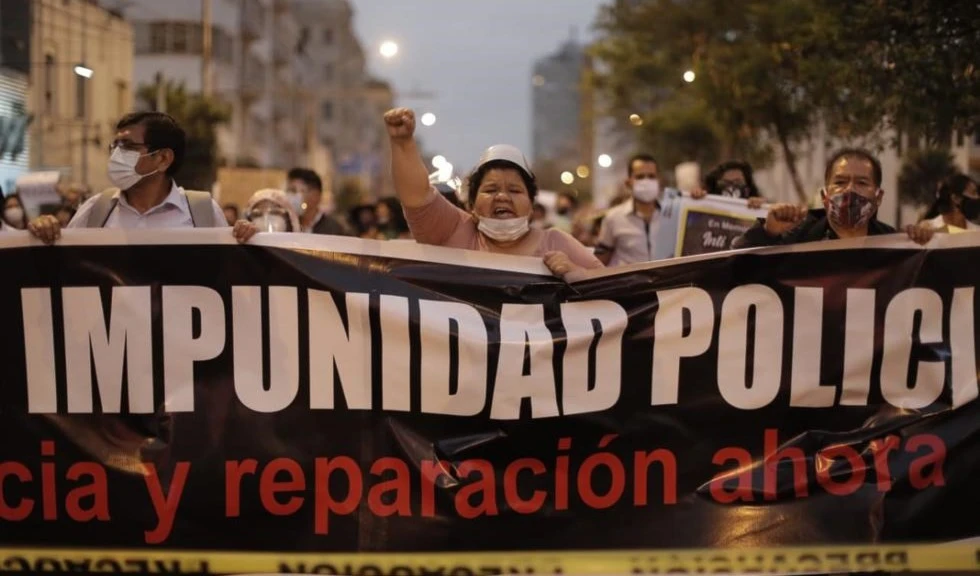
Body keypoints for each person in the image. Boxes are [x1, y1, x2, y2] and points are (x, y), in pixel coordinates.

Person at [384, 107, 602, 281]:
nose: (502, 197)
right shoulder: (454, 230)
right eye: (490, 189)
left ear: (531, 206)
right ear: (471, 206)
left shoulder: (557, 243)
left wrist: (579, 275)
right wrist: (403, 143)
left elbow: (615, 291)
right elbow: (416, 197)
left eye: (515, 190)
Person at [26, 111, 257, 243]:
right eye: (114, 145)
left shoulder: (201, 213)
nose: (116, 155)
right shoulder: (97, 211)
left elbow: (230, 277)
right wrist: (44, 233)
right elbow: (65, 269)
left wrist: (252, 240)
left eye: (127, 146)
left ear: (164, 158)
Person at [732, 147, 934, 248]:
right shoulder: (798, 234)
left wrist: (926, 245)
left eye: (862, 183)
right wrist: (768, 232)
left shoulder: (893, 245)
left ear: (878, 197)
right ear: (824, 196)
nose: (849, 190)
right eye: (840, 182)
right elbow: (734, 265)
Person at [594, 153, 664, 266]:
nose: (646, 181)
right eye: (640, 177)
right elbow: (600, 261)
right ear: (628, 182)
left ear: (659, 180)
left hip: (669, 282)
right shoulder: (613, 217)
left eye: (651, 176)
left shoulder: (672, 215)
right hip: (629, 283)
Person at [285, 167, 349, 236]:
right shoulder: (286, 224)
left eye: (294, 191)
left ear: (316, 195)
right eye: (289, 191)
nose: (291, 196)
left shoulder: (333, 229)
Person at [694, 160, 766, 209]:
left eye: (738, 182)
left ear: (748, 188)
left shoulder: (758, 212)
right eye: (726, 182)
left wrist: (762, 210)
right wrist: (695, 201)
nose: (732, 187)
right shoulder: (707, 208)